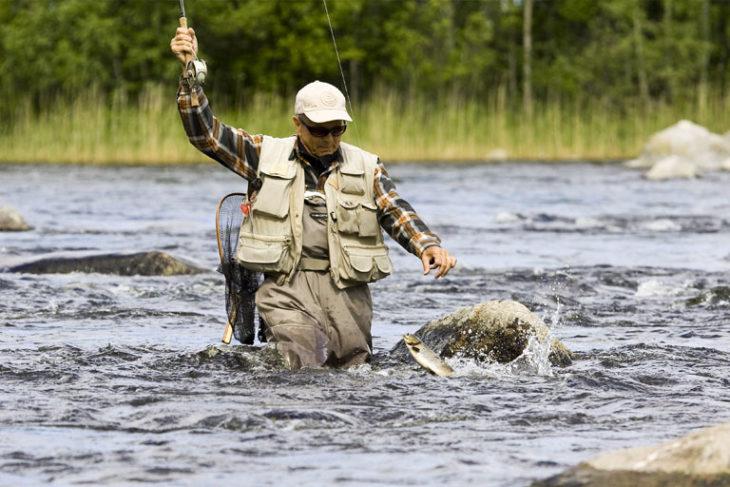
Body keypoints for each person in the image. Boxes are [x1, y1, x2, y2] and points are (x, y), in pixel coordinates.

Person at [170, 27, 457, 369]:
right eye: (320, 130)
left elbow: (395, 209)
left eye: (338, 129)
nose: (330, 138)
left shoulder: (368, 167)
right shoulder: (263, 154)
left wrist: (428, 246)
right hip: (286, 287)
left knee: (352, 371)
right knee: (302, 361)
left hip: (347, 293)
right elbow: (206, 135)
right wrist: (190, 72)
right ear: (297, 124)